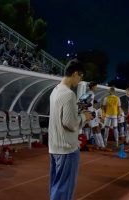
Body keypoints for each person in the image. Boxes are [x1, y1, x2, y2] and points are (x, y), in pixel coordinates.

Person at [48, 59, 93, 200]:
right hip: (67, 149)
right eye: (80, 76)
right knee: (64, 190)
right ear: (75, 73)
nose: (79, 80)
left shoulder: (55, 90)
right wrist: (84, 117)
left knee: (56, 186)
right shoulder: (69, 94)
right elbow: (70, 123)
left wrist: (76, 112)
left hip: (54, 147)